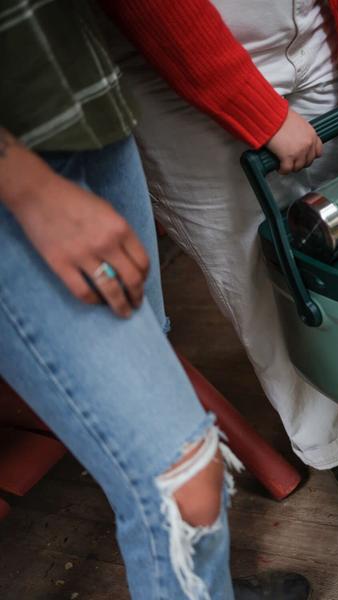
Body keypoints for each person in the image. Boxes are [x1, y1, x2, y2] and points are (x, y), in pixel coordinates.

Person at [0, 1, 310, 598]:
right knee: (182, 478)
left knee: (157, 354)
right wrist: (26, 186)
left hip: (88, 117)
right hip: (20, 185)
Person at [100, 0, 338, 511]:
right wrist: (258, 112)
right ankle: (335, 440)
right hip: (176, 77)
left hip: (315, 36)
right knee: (260, 267)